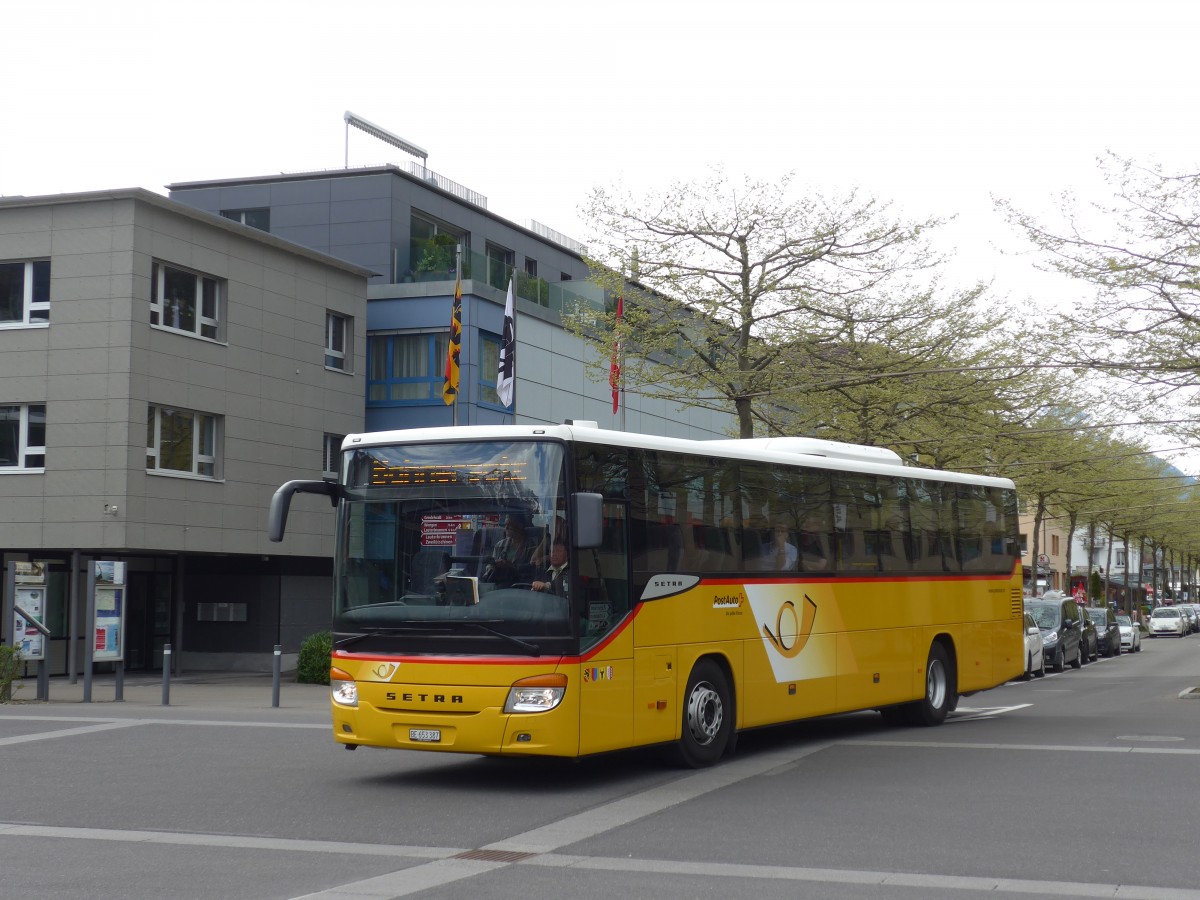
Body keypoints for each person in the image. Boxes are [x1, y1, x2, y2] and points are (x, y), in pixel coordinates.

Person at [485, 514, 534, 585]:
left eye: (509, 524)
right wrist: (493, 566)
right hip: (499, 584)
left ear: (520, 525)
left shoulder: (531, 546)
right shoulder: (500, 545)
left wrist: (511, 566)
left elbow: (532, 570)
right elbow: (490, 565)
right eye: (505, 525)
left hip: (521, 585)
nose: (506, 527)